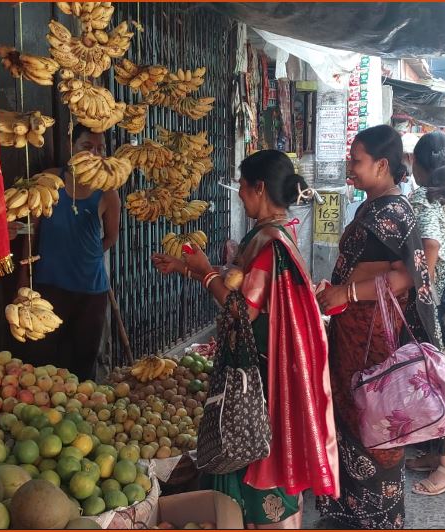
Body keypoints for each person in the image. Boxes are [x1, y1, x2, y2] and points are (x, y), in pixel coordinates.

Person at [152, 150, 339, 528]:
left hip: (260, 375)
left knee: (257, 453)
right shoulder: (275, 234)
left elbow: (240, 308)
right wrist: (190, 269)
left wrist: (205, 274)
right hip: (263, 365)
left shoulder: (269, 244)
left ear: (260, 188)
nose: (239, 194)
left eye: (242, 186)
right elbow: (243, 282)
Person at [314, 126, 437, 528]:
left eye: (357, 160)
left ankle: (376, 517)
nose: (350, 166)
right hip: (353, 338)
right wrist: (336, 291)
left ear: (383, 165)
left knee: (374, 420)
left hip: (373, 340)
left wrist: (347, 293)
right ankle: (348, 510)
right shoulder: (373, 205)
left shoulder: (395, 213)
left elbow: (409, 277)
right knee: (353, 418)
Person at [13, 123, 121, 379]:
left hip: (90, 291)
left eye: (100, 148)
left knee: (83, 363)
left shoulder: (108, 194)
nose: (94, 154)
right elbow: (30, 233)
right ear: (71, 147)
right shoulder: (48, 182)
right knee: (41, 361)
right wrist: (22, 279)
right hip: (49, 286)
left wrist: (89, 254)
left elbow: (112, 237)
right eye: (87, 146)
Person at [404, 131, 445, 495]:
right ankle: (437, 453)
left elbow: (429, 246)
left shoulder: (424, 199)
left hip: (435, 313)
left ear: (419, 162)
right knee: (443, 383)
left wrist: (418, 291)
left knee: (436, 386)